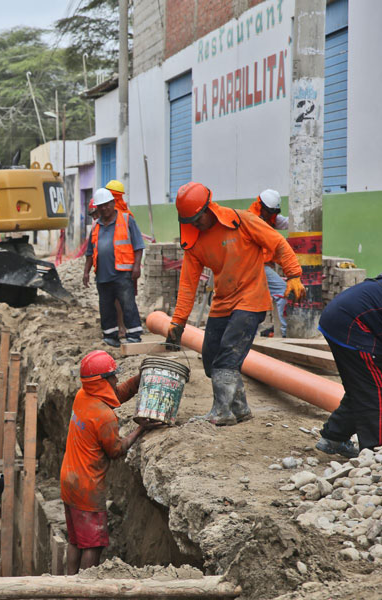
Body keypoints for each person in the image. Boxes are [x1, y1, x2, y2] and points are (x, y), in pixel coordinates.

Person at [165, 182, 305, 425]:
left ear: (209, 209)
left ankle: (221, 413)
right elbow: (188, 285)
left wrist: (293, 275)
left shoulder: (242, 221)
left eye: (198, 219)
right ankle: (239, 408)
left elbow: (278, 244)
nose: (195, 225)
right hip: (222, 303)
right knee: (211, 359)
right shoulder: (195, 243)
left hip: (251, 300)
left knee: (228, 356)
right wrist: (178, 322)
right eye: (190, 222)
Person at [60, 350, 149, 573]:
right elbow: (116, 450)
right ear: (102, 381)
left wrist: (138, 380)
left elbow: (114, 395)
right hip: (87, 487)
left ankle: (68, 590)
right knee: (93, 544)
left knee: (75, 541)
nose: (116, 379)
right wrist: (141, 429)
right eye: (112, 376)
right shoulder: (104, 416)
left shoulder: (83, 396)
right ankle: (85, 592)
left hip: (69, 479)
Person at [314, 274, 382, 458]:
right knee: (375, 390)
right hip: (353, 324)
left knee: (363, 385)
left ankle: (333, 437)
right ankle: (375, 454)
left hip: (343, 317)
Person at [83, 188, 145, 347]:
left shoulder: (126, 220)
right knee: (106, 306)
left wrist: (136, 267)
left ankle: (134, 334)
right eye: (100, 206)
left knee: (127, 303)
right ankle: (110, 335)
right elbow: (90, 251)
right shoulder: (96, 226)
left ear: (112, 203)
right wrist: (86, 272)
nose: (104, 208)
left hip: (122, 272)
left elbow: (138, 245)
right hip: (102, 274)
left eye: (106, 205)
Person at [248, 189, 290, 336]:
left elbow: (285, 222)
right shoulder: (251, 220)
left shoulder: (270, 216)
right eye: (271, 212)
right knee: (283, 291)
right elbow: (273, 243)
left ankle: (255, 333)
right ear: (262, 207)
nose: (273, 216)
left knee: (254, 300)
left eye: (274, 213)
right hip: (254, 266)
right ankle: (284, 333)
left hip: (262, 265)